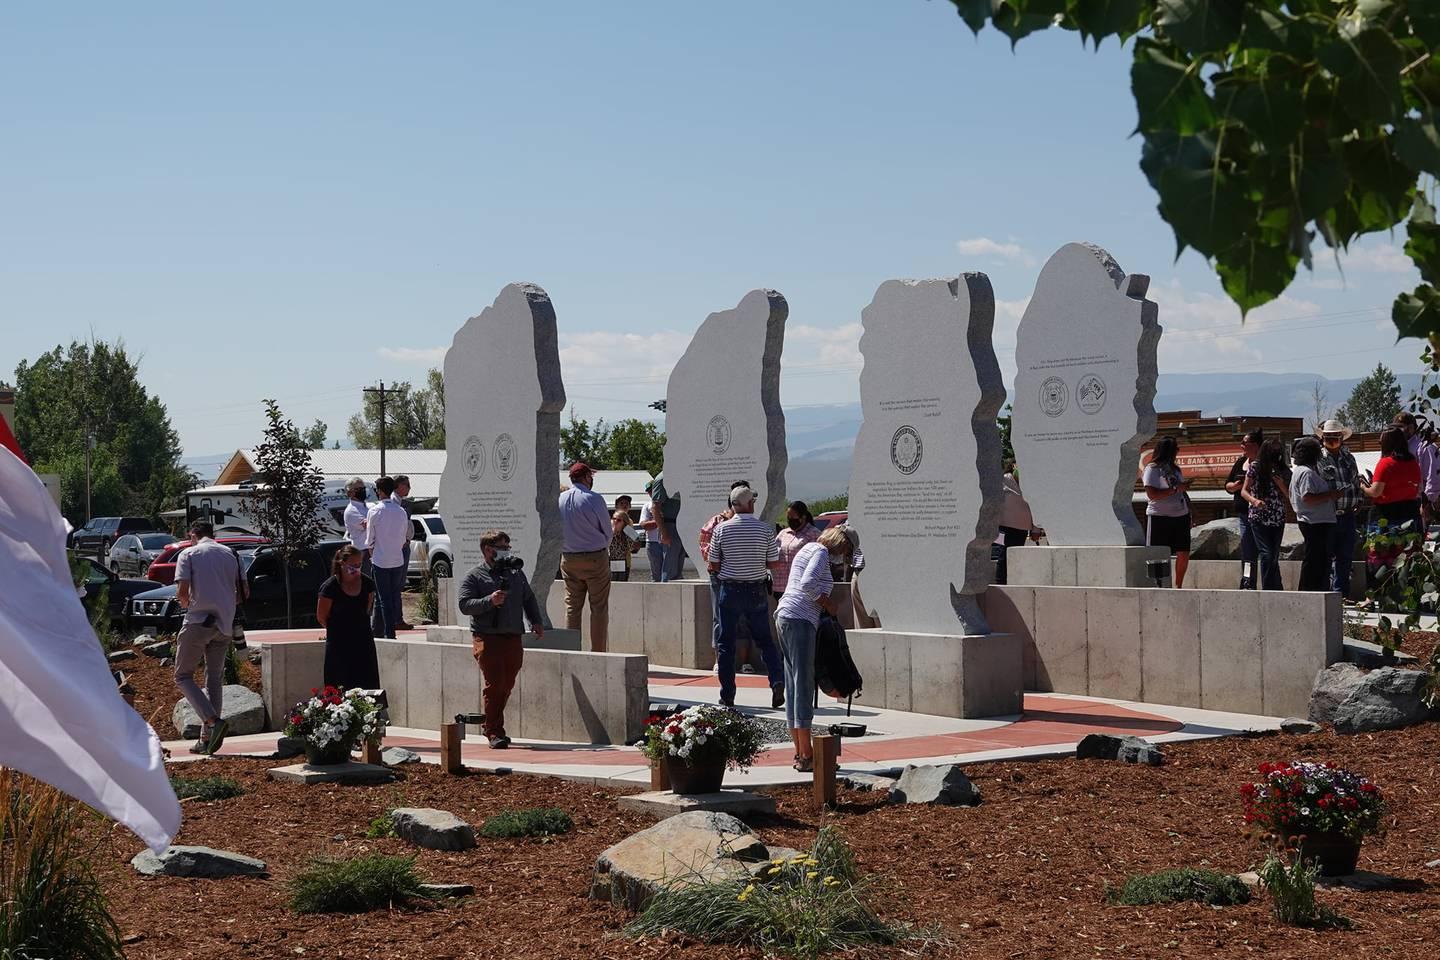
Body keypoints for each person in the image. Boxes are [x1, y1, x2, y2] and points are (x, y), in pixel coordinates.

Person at [775, 526, 853, 772]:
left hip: (785, 615)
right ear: (841, 543)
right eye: (846, 550)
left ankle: (800, 752)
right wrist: (828, 604)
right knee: (804, 685)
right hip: (800, 618)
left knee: (793, 684)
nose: (844, 556)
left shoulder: (807, 547)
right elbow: (808, 584)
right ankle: (808, 754)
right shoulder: (819, 551)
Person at [457, 530, 544, 748]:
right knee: (495, 685)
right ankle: (494, 732)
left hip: (513, 635)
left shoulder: (515, 574)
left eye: (507, 547)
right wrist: (489, 600)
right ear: (488, 550)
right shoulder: (474, 576)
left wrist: (536, 620)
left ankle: (492, 724)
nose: (506, 551)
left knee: (507, 685)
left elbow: (529, 598)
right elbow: (465, 605)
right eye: (501, 547)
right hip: (487, 637)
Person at [707, 484, 786, 708]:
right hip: (756, 589)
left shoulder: (722, 530)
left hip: (730, 589)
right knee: (765, 641)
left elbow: (713, 563)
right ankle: (777, 682)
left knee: (726, 643)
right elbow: (773, 563)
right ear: (750, 504)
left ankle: (728, 694)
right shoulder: (764, 529)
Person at [173, 520, 247, 755]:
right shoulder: (232, 555)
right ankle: (207, 740)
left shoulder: (189, 554)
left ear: (193, 535)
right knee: (214, 679)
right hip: (224, 625)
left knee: (182, 676)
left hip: (197, 622)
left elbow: (183, 593)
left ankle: (213, 722)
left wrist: (186, 604)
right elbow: (243, 594)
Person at [558, 461, 612, 652]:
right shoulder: (594, 498)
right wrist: (602, 547)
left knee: (572, 607)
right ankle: (598, 653)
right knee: (598, 608)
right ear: (586, 477)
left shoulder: (560, 499)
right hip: (595, 557)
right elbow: (608, 530)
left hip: (569, 558)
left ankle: (572, 651)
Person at [316, 544, 379, 690]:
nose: (356, 568)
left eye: (359, 564)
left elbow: (366, 609)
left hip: (363, 641)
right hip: (339, 644)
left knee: (366, 681)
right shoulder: (330, 587)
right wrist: (339, 629)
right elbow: (321, 616)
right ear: (342, 563)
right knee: (339, 682)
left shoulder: (367, 584)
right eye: (352, 565)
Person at [1316, 420, 1361, 600]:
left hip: (1348, 513)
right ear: (1323, 438)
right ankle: (1328, 596)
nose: (1332, 440)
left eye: (1335, 437)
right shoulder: (1318, 458)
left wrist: (1359, 499)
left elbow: (1356, 481)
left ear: (1341, 438)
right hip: (1328, 515)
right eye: (1329, 437)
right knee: (1327, 557)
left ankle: (1341, 594)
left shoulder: (1349, 457)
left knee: (1345, 557)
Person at [1290, 437, 1339, 592]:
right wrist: (1331, 495)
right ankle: (1309, 590)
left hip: (1316, 521)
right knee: (1315, 560)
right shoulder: (1306, 473)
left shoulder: (1303, 470)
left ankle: (1316, 589)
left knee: (1319, 560)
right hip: (1315, 522)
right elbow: (1307, 498)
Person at [1143, 437, 1192, 587]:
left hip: (1180, 514)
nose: (1177, 452)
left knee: (1183, 551)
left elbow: (1182, 492)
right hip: (1159, 515)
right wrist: (1175, 489)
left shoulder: (1176, 469)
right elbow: (1152, 494)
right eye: (1175, 449)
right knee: (1158, 553)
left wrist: (1191, 510)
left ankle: (1178, 585)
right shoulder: (1152, 468)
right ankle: (1159, 585)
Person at [365, 476, 410, 639]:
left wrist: (373, 557)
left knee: (384, 598)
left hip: (380, 560)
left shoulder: (374, 511)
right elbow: (403, 537)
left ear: (380, 491)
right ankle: (380, 631)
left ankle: (389, 633)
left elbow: (370, 540)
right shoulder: (401, 511)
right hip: (397, 558)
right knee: (391, 595)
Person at [1243, 438, 1290, 591]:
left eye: (1278, 451)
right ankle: (1269, 589)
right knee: (1266, 554)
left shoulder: (1283, 470)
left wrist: (1281, 483)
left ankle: (1277, 587)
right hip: (1259, 517)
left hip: (1278, 518)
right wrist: (1254, 500)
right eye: (1272, 451)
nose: (1275, 455)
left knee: (1274, 556)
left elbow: (1290, 496)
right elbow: (1244, 490)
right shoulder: (1255, 467)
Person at [1361, 425, 1423, 538]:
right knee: (1408, 551)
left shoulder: (1385, 463)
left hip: (1386, 516)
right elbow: (1416, 487)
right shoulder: (1413, 463)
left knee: (1383, 553)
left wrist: (1364, 488)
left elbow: (1376, 492)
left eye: (1380, 443)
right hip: (1410, 513)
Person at [1223, 430, 1263, 590]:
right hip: (1244, 514)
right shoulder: (1240, 462)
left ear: (1255, 445)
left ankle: (1269, 583)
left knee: (1266, 552)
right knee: (1247, 552)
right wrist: (1236, 486)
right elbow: (1228, 485)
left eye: (1245, 444)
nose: (1242, 447)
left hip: (1262, 514)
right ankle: (1247, 582)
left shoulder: (1264, 463)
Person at [995, 463, 1035, 586]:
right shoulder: (1002, 480)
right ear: (1013, 466)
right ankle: (1001, 583)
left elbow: (1035, 506)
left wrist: (1035, 529)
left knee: (1016, 557)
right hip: (1003, 528)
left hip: (1022, 529)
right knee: (1003, 555)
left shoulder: (1030, 483)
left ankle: (1013, 583)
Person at [1394, 412, 1436, 528]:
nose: (1398, 431)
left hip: (1420, 502)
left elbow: (1432, 476)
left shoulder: (1424, 447)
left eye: (1401, 427)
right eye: (1396, 427)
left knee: (1421, 541)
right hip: (1402, 502)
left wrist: (1426, 504)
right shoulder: (1399, 448)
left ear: (1412, 427)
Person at [773, 501, 821, 600]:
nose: (790, 521)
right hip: (781, 586)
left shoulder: (814, 534)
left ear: (803, 517)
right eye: (788, 518)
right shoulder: (783, 533)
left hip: (800, 588)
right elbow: (774, 552)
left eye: (793, 518)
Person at [649, 471, 687, 581]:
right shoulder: (662, 478)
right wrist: (664, 533)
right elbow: (655, 508)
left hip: (682, 526)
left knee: (678, 567)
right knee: (670, 567)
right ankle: (667, 593)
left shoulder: (681, 475)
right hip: (670, 525)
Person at [391, 475, 414, 630]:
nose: (409, 487)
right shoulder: (393, 503)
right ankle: (396, 620)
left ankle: (397, 619)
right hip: (398, 547)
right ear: (398, 486)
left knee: (398, 585)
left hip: (404, 545)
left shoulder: (401, 503)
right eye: (406, 484)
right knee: (395, 585)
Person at [342, 477, 371, 575]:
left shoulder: (367, 507)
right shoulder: (351, 511)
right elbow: (368, 525)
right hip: (362, 551)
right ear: (350, 493)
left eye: (363, 488)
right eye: (358, 489)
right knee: (364, 582)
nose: (362, 491)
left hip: (371, 550)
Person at [608, 495, 637, 583]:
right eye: (621, 503)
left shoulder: (629, 522)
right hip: (611, 559)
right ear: (616, 506)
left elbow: (636, 542)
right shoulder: (611, 522)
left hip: (625, 560)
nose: (624, 505)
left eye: (626, 503)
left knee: (622, 585)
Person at [638, 481, 663, 582]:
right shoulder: (647, 505)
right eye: (649, 491)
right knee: (656, 575)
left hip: (668, 541)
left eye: (654, 489)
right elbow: (644, 525)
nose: (652, 493)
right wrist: (660, 519)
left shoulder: (667, 504)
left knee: (671, 573)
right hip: (653, 543)